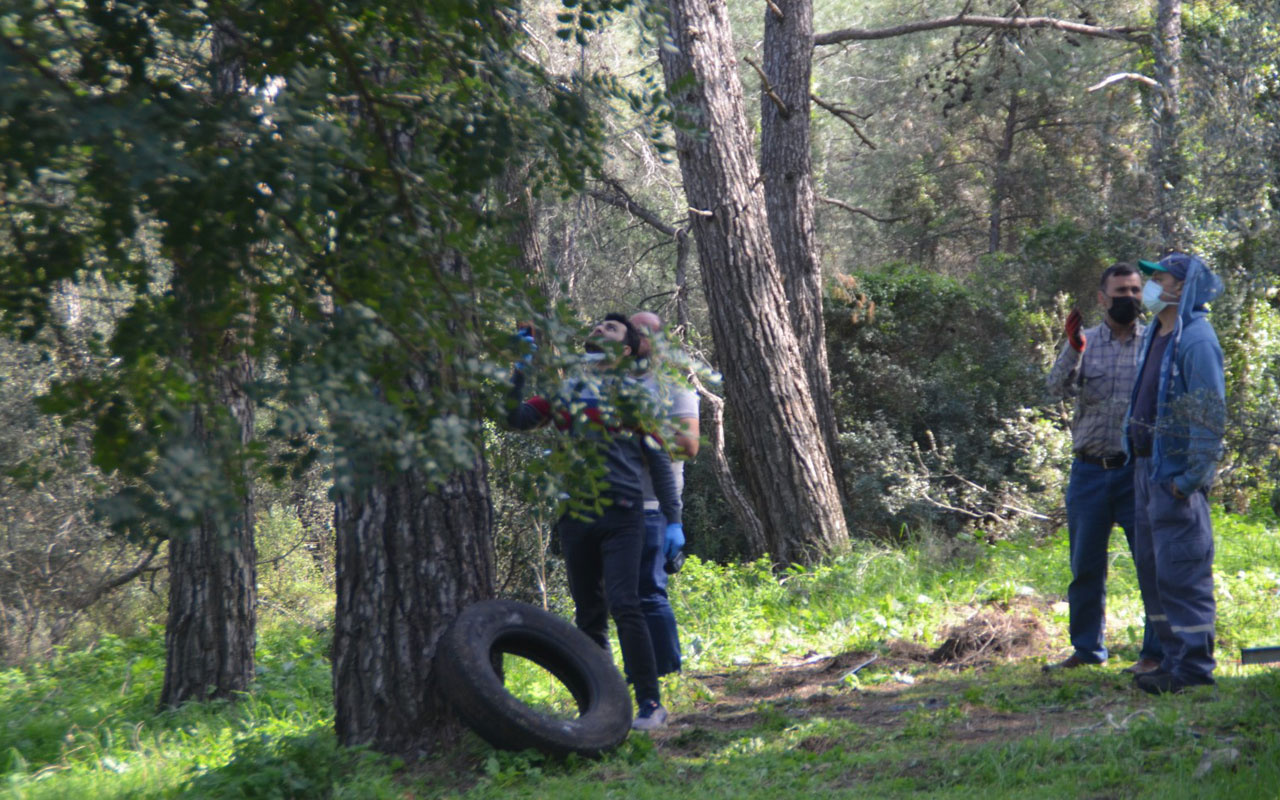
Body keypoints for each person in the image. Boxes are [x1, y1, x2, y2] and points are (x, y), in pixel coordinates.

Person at [507, 313, 683, 729]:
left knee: (626, 604)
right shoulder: (566, 392)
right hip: (575, 516)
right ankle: (599, 706)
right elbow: (513, 419)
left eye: (612, 327)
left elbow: (659, 462)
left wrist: (673, 519)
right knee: (588, 614)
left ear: (625, 349)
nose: (600, 328)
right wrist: (519, 368)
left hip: (624, 513)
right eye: (598, 324)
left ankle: (650, 704)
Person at [1044, 264, 1163, 674]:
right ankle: (1087, 650)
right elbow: (1053, 389)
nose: (1128, 297)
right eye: (1120, 291)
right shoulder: (1086, 341)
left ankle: (1155, 654)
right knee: (1085, 567)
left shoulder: (1155, 342)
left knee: (1150, 564)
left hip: (1139, 473)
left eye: (1135, 290)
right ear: (1102, 298)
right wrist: (1073, 347)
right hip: (1090, 472)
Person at [1124, 252, 1225, 695]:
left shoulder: (1197, 339)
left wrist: (1189, 480)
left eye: (1157, 277)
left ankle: (1195, 671)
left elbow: (1209, 416)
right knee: (1155, 572)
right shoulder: (1156, 334)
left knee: (1182, 572)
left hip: (1174, 477)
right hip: (1145, 470)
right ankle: (1171, 660)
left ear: (1181, 286)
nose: (1148, 285)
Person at [629, 311, 700, 678]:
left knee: (649, 593)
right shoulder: (610, 384)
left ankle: (668, 673)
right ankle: (636, 672)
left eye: (644, 332)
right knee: (620, 599)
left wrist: (636, 434)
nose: (635, 338)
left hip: (654, 506)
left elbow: (688, 445)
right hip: (611, 504)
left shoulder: (674, 387)